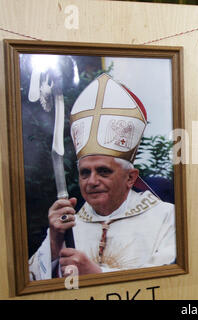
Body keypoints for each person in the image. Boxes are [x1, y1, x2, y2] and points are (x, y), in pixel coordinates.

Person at [29, 73, 176, 280]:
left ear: (131, 178)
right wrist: (54, 242)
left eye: (103, 171)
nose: (92, 181)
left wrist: (98, 274)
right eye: (85, 173)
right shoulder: (70, 224)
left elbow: (172, 282)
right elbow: (31, 282)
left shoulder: (167, 217)